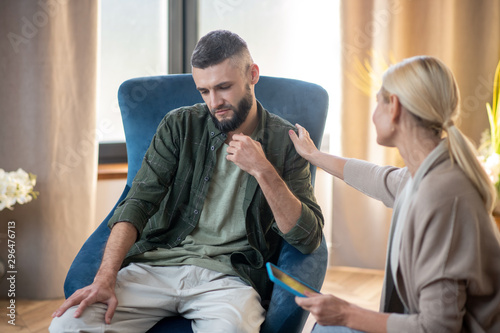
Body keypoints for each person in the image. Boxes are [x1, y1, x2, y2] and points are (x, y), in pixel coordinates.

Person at [49, 30, 323, 333]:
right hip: (157, 266)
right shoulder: (179, 125)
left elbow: (306, 236)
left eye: (223, 87)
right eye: (204, 91)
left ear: (252, 75)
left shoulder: (286, 142)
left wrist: (263, 170)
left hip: (230, 278)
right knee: (66, 325)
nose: (214, 102)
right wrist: (104, 278)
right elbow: (137, 203)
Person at [290, 56, 500, 332]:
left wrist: (346, 313)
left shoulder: (443, 196)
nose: (374, 112)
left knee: (326, 328)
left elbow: (438, 327)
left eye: (378, 101)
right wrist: (315, 156)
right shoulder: (429, 170)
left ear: (395, 107)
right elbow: (378, 178)